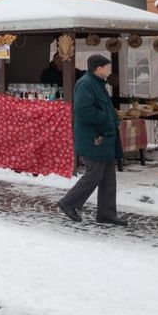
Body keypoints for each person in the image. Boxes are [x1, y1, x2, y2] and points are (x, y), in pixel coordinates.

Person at [57, 54, 127, 226]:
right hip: (93, 139)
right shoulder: (86, 84)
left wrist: (110, 117)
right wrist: (106, 117)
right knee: (94, 174)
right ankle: (68, 202)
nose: (109, 70)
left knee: (108, 178)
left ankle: (107, 213)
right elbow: (82, 110)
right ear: (98, 68)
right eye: (107, 67)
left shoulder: (97, 83)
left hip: (104, 138)